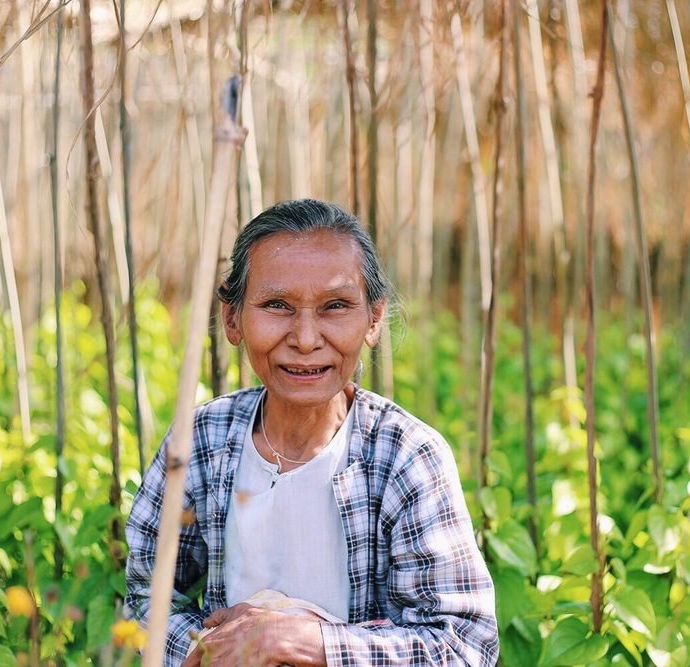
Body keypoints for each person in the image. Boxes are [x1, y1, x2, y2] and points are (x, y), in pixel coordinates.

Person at [125, 199, 499, 666]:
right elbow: (145, 600)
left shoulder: (406, 456)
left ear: (374, 319)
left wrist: (307, 642)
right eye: (277, 305)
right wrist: (217, 649)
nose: (305, 338)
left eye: (336, 306)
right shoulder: (202, 440)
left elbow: (465, 643)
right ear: (233, 319)